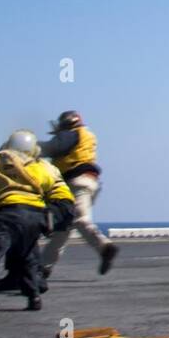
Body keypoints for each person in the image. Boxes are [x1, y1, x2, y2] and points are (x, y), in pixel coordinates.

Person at [0, 130, 75, 322]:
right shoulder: (44, 167)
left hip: (7, 214)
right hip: (35, 216)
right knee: (27, 254)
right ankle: (34, 296)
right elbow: (62, 194)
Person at [39, 110, 118, 276]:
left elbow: (54, 147)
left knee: (79, 219)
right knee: (63, 228)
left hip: (76, 183)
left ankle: (105, 247)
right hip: (88, 182)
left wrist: (31, 147)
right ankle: (43, 267)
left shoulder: (71, 134)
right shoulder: (85, 137)